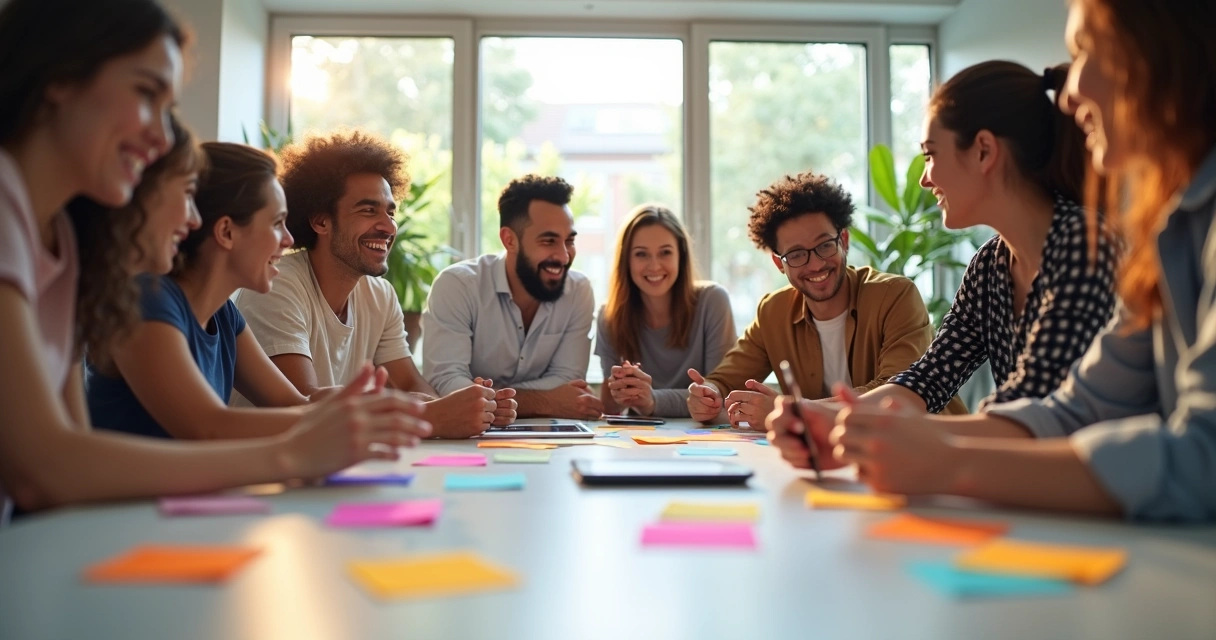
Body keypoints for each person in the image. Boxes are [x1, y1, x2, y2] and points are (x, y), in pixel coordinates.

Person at [768, 0, 1216, 521]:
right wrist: (840, 425)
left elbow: (1191, 455)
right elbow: (1067, 407)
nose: (1069, 95)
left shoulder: (1087, 243)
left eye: (1088, 50)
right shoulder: (1158, 232)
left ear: (984, 152)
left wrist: (944, 460)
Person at [0, 0, 429, 522]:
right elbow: (47, 467)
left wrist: (354, 418)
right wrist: (294, 451)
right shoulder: (20, 214)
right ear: (59, 77)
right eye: (145, 93)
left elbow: (70, 449)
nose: (161, 137)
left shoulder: (67, 240)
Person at [860, 60, 1118, 414]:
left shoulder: (1085, 244)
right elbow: (929, 378)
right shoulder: (990, 264)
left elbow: (1032, 411)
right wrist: (815, 414)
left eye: (930, 154)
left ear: (984, 150)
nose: (925, 179)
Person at [233, 129, 513, 437]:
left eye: (390, 212)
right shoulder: (278, 285)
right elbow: (302, 403)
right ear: (321, 221)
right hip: (272, 466)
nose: (387, 226)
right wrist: (426, 414)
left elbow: (410, 383)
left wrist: (464, 409)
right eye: (368, 210)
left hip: (336, 458)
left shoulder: (380, 295)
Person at [686, 171, 966, 426]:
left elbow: (895, 396)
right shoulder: (774, 311)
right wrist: (707, 395)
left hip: (929, 448)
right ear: (779, 263)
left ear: (843, 241)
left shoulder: (896, 296)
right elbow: (724, 380)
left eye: (824, 245)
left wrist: (791, 410)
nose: (815, 264)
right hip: (844, 455)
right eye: (796, 254)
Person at [422, 174, 602, 419]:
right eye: (548, 240)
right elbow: (447, 382)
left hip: (549, 436)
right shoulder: (457, 286)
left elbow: (568, 381)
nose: (563, 256)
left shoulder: (578, 291)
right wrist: (546, 402)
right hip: (470, 436)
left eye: (569, 241)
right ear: (509, 240)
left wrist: (490, 397)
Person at [595, 204, 736, 418]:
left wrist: (652, 401)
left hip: (703, 438)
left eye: (665, 253)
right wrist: (622, 390)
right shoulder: (609, 316)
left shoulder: (713, 301)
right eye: (641, 254)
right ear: (626, 261)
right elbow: (610, 408)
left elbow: (718, 396)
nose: (654, 266)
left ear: (681, 255)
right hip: (636, 441)